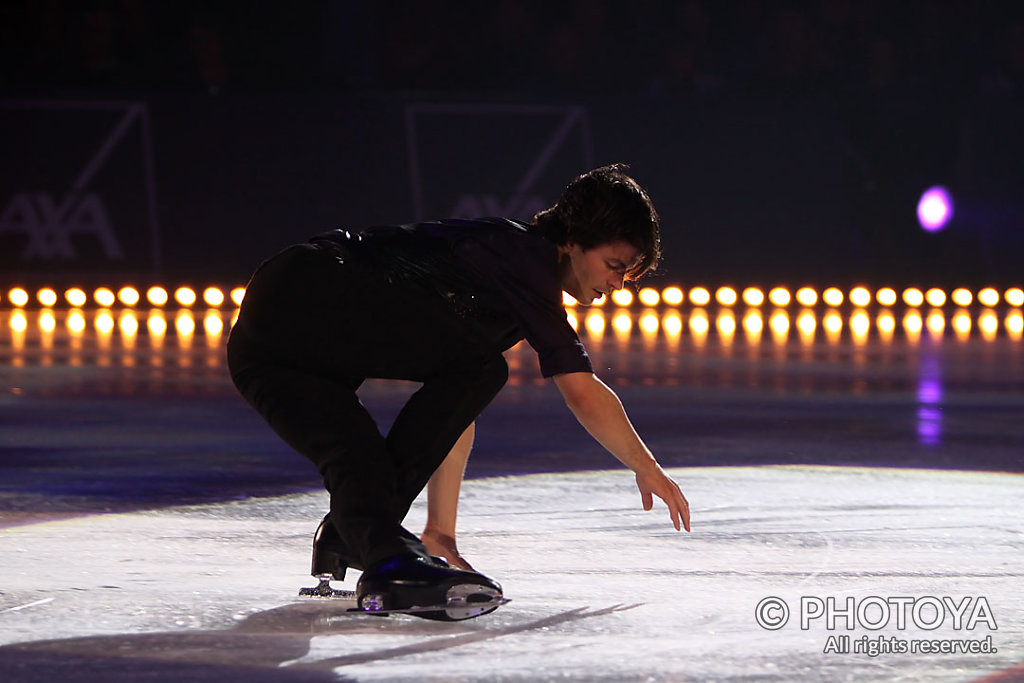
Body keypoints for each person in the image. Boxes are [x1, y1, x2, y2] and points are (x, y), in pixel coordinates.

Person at [226, 164, 690, 621]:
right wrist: (648, 468)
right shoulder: (524, 257)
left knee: (363, 453)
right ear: (572, 240)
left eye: (628, 275)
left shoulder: (510, 288)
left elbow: (452, 409)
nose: (617, 285)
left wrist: (440, 532)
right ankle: (391, 564)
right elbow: (582, 393)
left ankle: (358, 537)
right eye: (613, 266)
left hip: (275, 353)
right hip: (306, 292)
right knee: (480, 369)